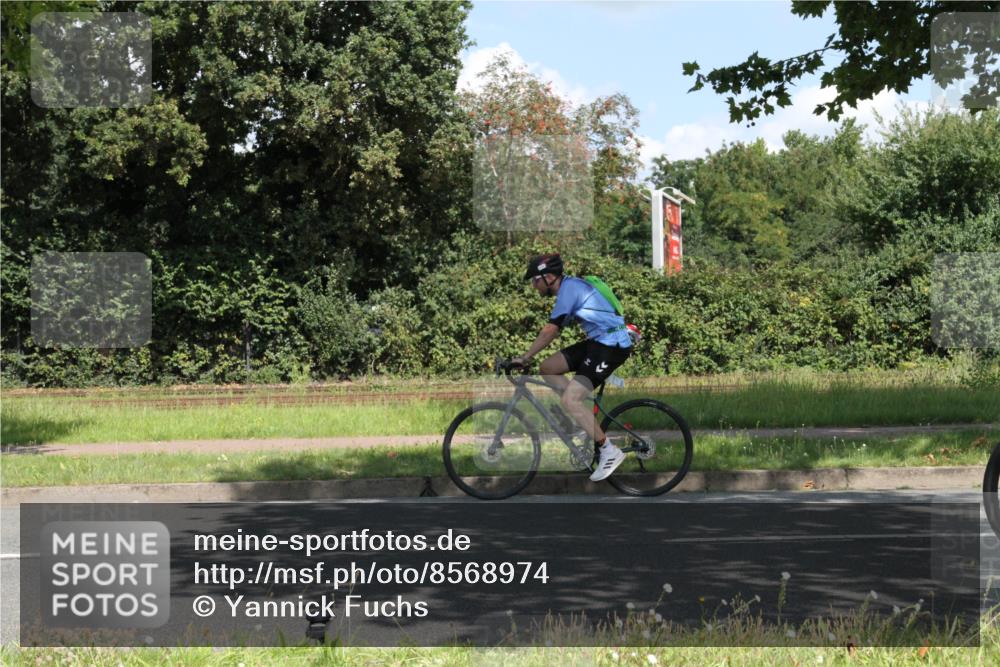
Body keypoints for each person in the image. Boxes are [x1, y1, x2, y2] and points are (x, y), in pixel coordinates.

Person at [511, 253, 633, 481]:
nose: (533, 285)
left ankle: (609, 451)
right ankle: (581, 416)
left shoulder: (569, 290)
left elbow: (550, 331)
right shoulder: (569, 288)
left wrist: (525, 357)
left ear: (547, 277)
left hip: (611, 346)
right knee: (547, 367)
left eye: (534, 280)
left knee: (570, 400)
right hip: (598, 342)